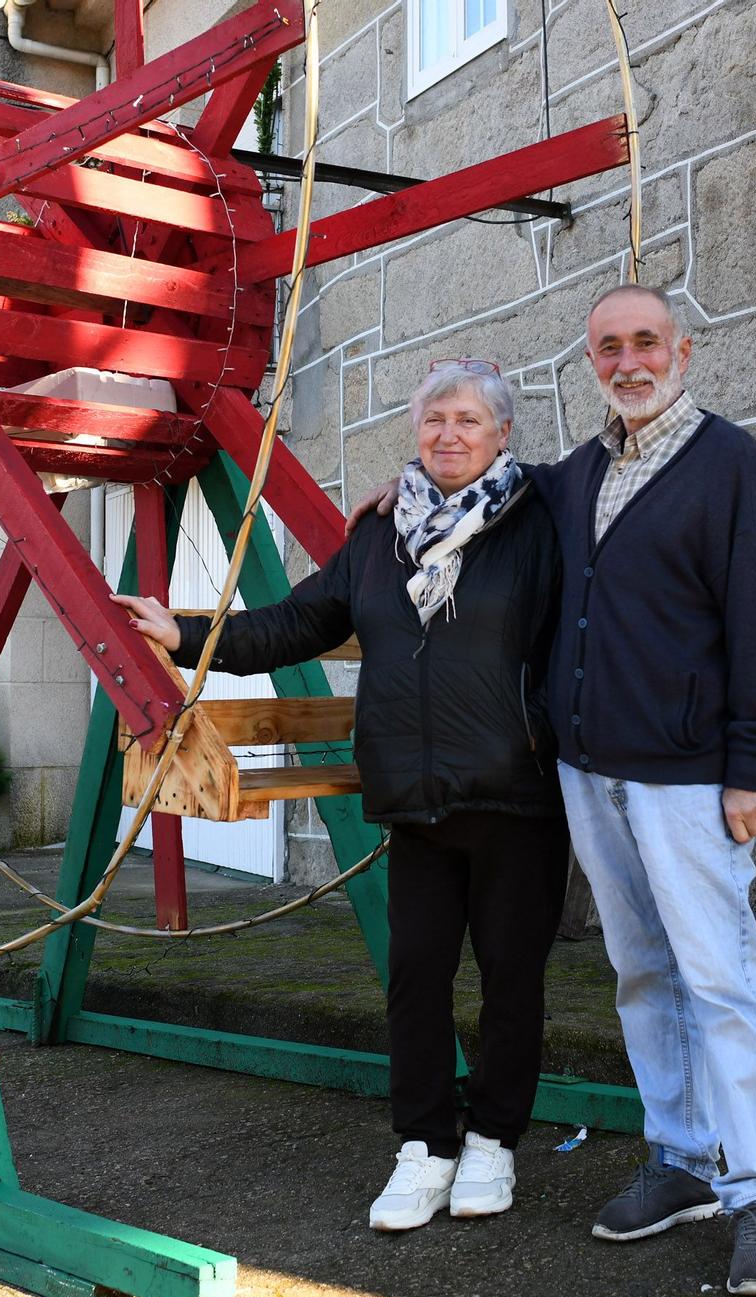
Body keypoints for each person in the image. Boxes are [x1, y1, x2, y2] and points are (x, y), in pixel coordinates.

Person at [350, 286, 756, 1295]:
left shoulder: (727, 464)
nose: (628, 360)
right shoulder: (576, 476)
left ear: (680, 350)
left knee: (720, 973)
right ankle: (681, 1160)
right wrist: (398, 485)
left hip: (688, 775)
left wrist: (752, 765)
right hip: (588, 773)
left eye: (645, 342)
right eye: (608, 346)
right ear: (590, 363)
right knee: (641, 971)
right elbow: (482, 482)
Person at [113, 360, 569, 1234]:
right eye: (434, 418)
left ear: (503, 434)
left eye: (469, 420)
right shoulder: (379, 535)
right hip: (414, 801)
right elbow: (298, 620)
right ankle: (427, 1144)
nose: (448, 434)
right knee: (415, 979)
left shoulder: (540, 517)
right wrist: (188, 632)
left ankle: (494, 1141)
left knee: (513, 980)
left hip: (517, 796)